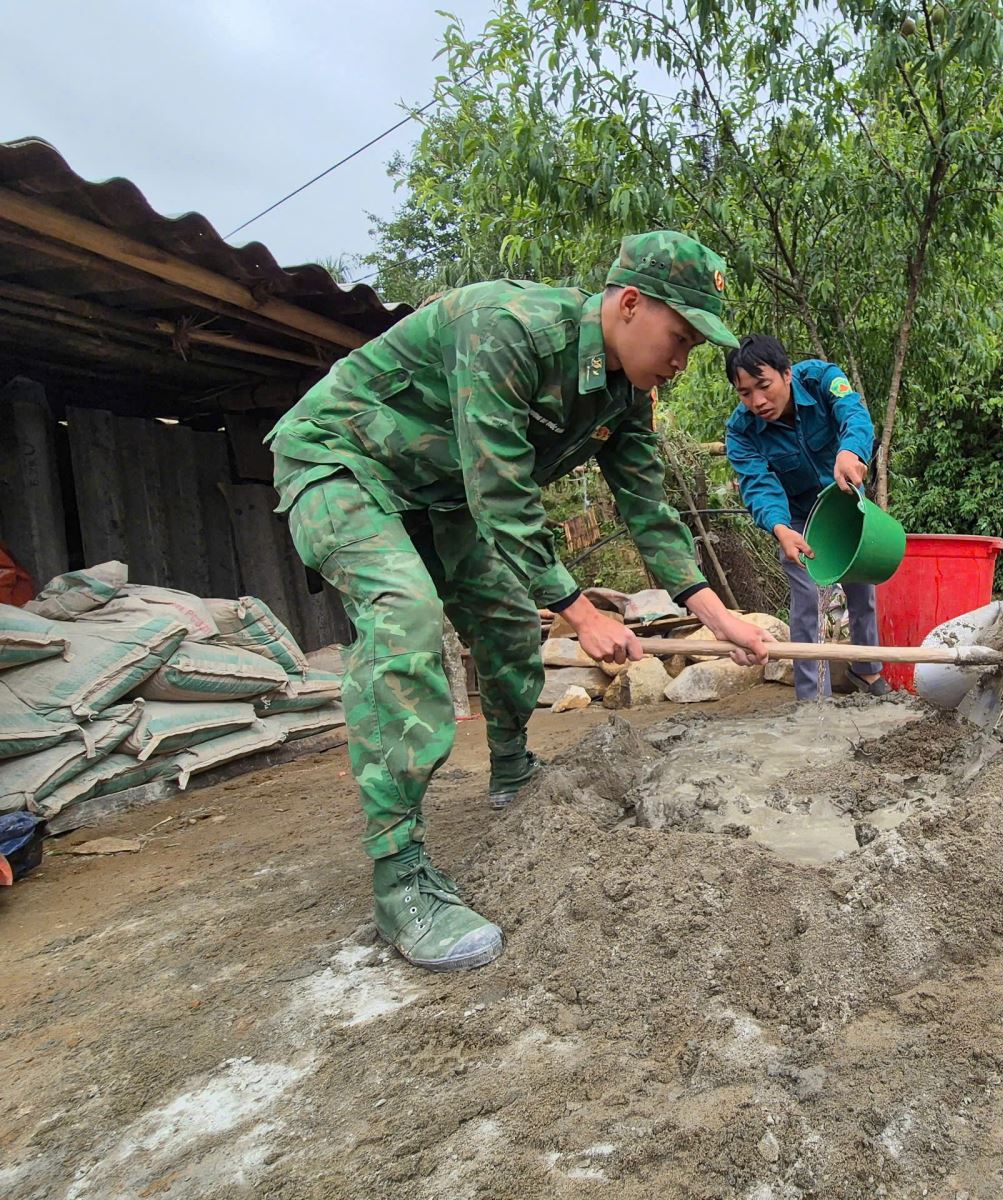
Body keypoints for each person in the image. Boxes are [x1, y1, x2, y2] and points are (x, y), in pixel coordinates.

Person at [269, 230, 771, 972]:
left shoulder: (629, 395)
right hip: (345, 461)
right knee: (404, 619)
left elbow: (648, 510)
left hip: (442, 495)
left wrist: (720, 618)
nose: (682, 359)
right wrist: (583, 612)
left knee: (506, 621)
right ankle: (400, 874)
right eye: (681, 337)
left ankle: (511, 773)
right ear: (629, 305)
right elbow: (499, 489)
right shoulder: (505, 327)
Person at [723, 334, 886, 701]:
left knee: (863, 588)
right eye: (745, 393)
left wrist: (850, 452)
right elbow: (758, 485)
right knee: (808, 595)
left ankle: (868, 673)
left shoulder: (823, 379)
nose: (757, 401)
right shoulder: (741, 431)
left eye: (763, 386)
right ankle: (812, 699)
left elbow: (854, 415)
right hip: (797, 520)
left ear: (787, 374)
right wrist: (780, 529)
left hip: (845, 504)